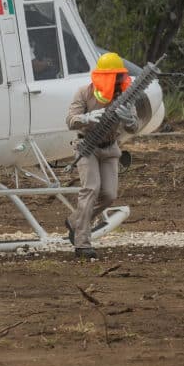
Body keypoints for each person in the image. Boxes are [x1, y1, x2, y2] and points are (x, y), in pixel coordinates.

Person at [64, 52, 140, 259]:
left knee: (108, 195)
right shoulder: (84, 92)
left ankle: (75, 221)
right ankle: (82, 243)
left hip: (110, 148)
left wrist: (129, 120)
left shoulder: (125, 97)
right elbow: (70, 120)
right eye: (113, 77)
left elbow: (134, 127)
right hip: (86, 147)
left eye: (119, 76)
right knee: (91, 189)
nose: (117, 81)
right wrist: (85, 117)